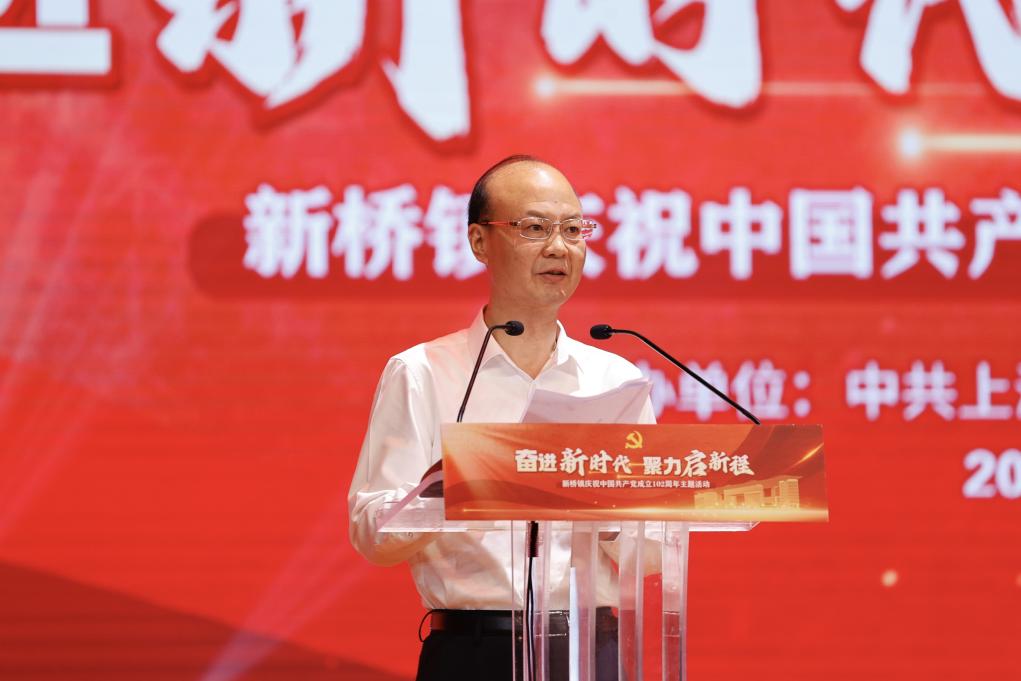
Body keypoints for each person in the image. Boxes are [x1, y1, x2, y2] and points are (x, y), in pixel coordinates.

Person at [347, 155, 654, 680]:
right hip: (474, 651)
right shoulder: (423, 372)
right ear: (479, 241)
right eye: (534, 227)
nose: (559, 247)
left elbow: (653, 552)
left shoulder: (615, 379)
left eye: (573, 229)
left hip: (590, 649)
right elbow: (371, 531)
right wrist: (452, 489)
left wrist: (601, 510)